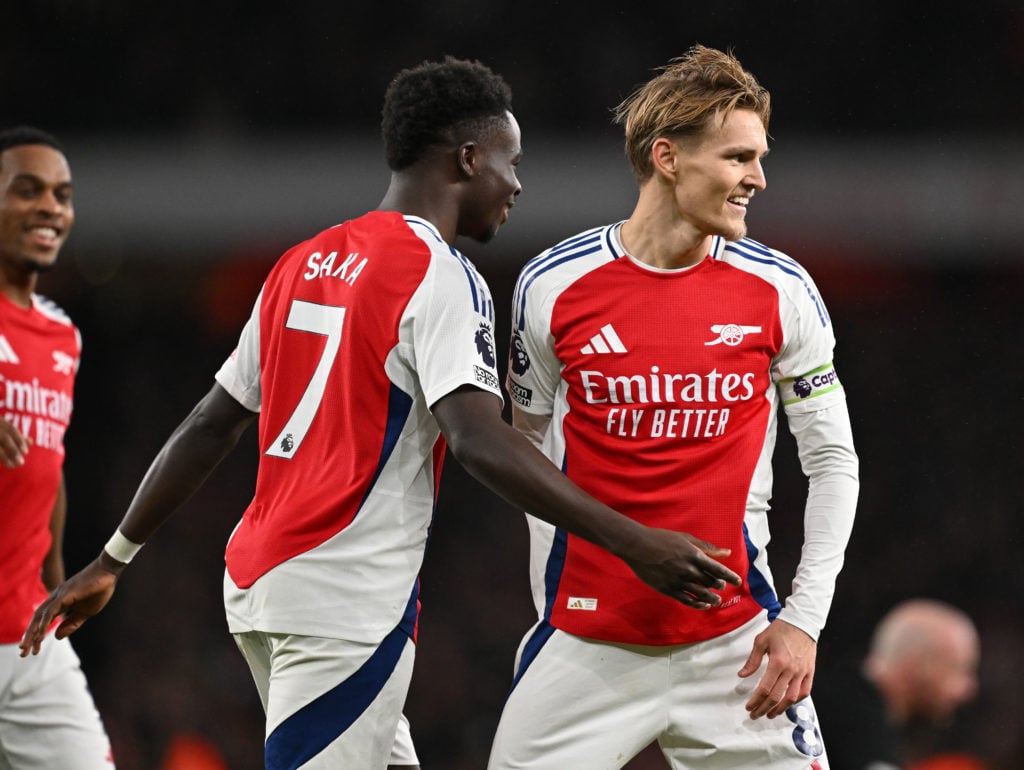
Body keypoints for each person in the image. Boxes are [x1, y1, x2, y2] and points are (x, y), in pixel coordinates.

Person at [20, 57, 739, 770]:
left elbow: (211, 422)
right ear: (467, 158)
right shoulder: (441, 273)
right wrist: (634, 542)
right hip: (341, 599)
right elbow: (478, 440)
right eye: (510, 161)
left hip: (262, 583)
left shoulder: (299, 263)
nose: (517, 183)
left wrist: (115, 556)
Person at [490, 44, 860, 769]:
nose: (757, 177)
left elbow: (832, 461)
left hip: (738, 653)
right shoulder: (551, 286)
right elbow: (525, 457)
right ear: (667, 157)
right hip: (583, 654)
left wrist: (803, 624)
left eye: (758, 157)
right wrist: (573, 598)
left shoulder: (781, 290)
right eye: (737, 158)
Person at [0, 126, 116, 768]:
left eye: (62, 195)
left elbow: (49, 461)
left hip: (25, 634)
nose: (51, 207)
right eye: (28, 190)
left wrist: (57, 577)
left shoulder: (61, 336)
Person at [814, 599, 981, 770]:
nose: (969, 689)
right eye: (961, 670)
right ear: (921, 665)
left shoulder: (839, 700)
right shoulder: (863, 732)